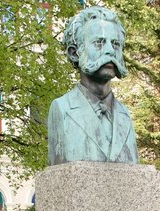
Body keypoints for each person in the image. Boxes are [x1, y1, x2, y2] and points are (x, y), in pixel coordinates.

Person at [47, 6, 138, 166]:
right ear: (74, 53)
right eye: (99, 43)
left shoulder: (125, 116)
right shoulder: (62, 109)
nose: (110, 51)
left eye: (116, 44)